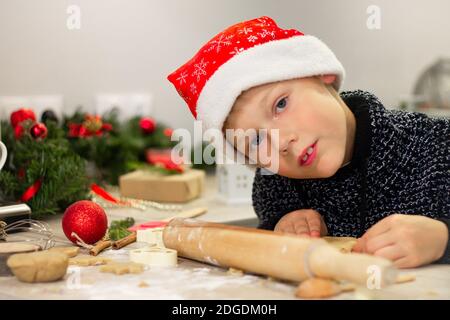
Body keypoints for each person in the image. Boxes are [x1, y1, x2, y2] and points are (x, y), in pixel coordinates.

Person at [167, 16, 449, 268]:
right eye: (255, 140)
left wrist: (442, 240)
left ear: (321, 73)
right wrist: (282, 226)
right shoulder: (276, 184)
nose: (280, 143)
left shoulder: (436, 146)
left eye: (280, 104)